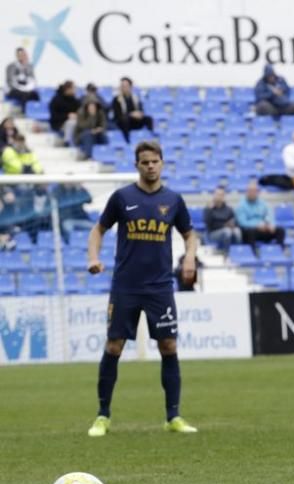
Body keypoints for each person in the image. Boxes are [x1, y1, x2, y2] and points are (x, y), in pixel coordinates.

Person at [85, 141, 199, 437]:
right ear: (137, 165)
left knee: (168, 346)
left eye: (155, 161)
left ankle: (173, 416)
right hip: (126, 286)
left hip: (160, 287)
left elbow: (190, 234)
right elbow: (98, 229)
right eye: (145, 162)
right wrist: (93, 257)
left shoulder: (173, 200)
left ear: (162, 163)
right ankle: (103, 416)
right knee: (114, 346)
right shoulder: (122, 198)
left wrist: (189, 258)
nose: (150, 166)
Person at [236, 179, 286, 247]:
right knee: (251, 232)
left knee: (280, 230)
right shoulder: (241, 205)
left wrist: (269, 224)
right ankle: (253, 253)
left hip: (263, 228)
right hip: (250, 231)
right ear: (247, 192)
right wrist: (257, 225)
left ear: (257, 192)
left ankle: (279, 251)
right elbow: (243, 223)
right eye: (250, 191)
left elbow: (269, 215)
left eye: (254, 191)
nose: (252, 193)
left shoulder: (263, 204)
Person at [111, 77, 154, 143]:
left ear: (130, 87)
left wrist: (139, 114)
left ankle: (151, 138)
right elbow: (117, 115)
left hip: (134, 121)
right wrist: (131, 114)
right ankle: (127, 141)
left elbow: (141, 109)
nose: (124, 88)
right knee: (125, 119)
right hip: (122, 122)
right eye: (122, 86)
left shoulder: (135, 97)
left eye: (126, 86)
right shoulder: (117, 99)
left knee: (148, 119)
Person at [203, 186, 242, 253]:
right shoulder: (208, 208)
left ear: (224, 196)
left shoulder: (228, 209)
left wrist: (233, 224)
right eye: (217, 194)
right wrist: (224, 225)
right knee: (227, 231)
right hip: (213, 233)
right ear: (214, 195)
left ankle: (237, 252)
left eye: (221, 195)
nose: (219, 196)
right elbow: (208, 223)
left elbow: (235, 221)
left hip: (228, 229)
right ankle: (226, 253)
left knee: (237, 231)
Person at [5, 48, 39, 112]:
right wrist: (22, 88)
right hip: (13, 90)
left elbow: (33, 80)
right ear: (17, 56)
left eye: (24, 54)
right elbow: (10, 82)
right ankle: (25, 112)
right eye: (21, 55)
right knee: (24, 95)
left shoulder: (29, 66)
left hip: (26, 89)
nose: (23, 56)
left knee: (35, 95)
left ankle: (35, 112)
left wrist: (28, 88)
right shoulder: (11, 66)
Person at [48, 81, 80, 146]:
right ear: (68, 89)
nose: (75, 90)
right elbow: (54, 116)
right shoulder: (56, 100)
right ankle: (67, 141)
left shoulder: (74, 100)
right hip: (59, 124)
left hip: (73, 122)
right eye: (73, 88)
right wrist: (67, 116)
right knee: (71, 123)